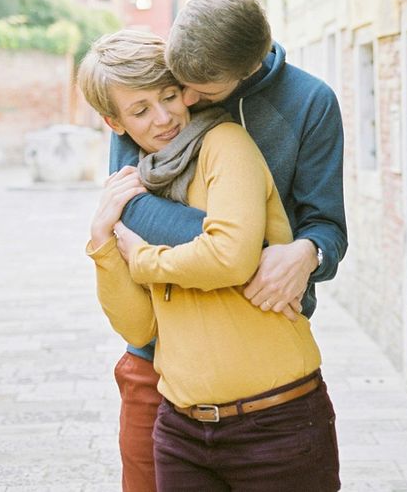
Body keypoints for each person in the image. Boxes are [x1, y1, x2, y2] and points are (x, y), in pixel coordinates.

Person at [79, 29, 341, 491]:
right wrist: (104, 241)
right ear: (115, 122)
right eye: (141, 111)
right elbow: (141, 327)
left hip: (272, 409)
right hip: (177, 409)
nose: (164, 117)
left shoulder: (229, 140)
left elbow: (236, 257)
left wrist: (145, 257)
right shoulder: (141, 162)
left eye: (171, 96)